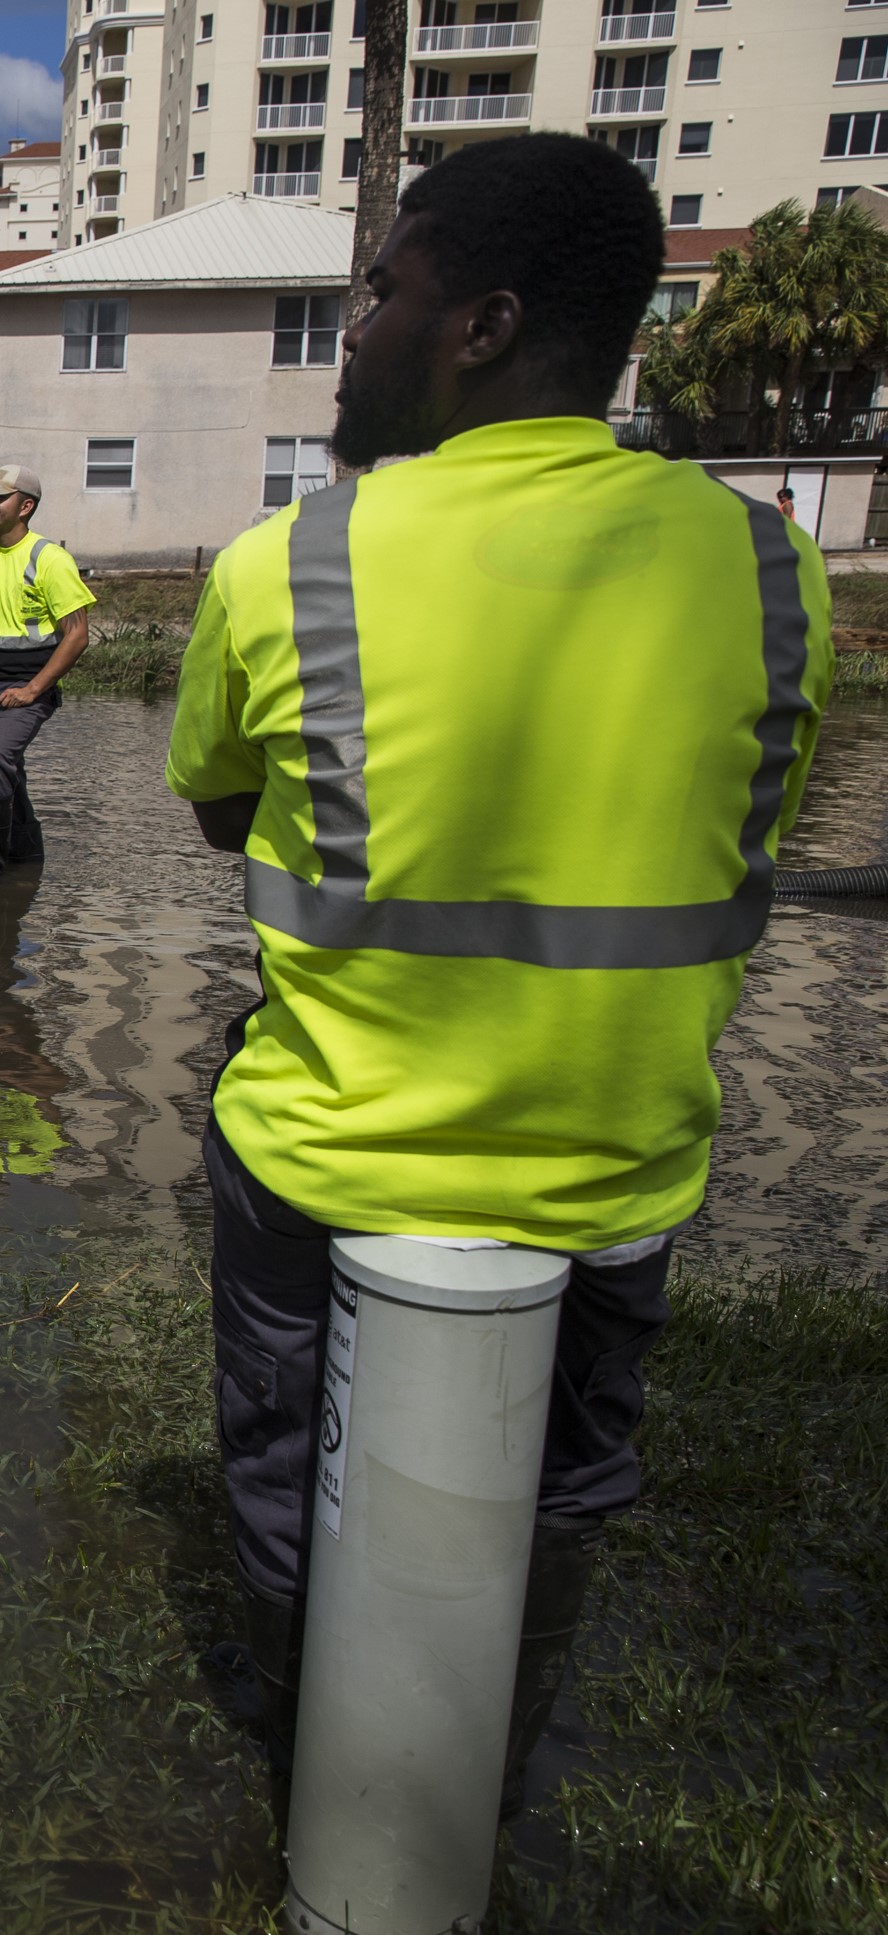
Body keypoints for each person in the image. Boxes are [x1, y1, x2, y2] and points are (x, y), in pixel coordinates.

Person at [163, 133, 831, 1820]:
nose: (360, 328)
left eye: (386, 288)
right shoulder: (770, 569)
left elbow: (224, 803)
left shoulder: (290, 564)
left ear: (483, 323)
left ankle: (310, 1753)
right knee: (574, 1473)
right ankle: (499, 1744)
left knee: (279, 1456)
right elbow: (732, 835)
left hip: (336, 1155)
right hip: (617, 1164)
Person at [0, 466, 94, 876]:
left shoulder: (50, 559)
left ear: (26, 506)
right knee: (6, 775)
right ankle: (29, 860)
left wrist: (33, 689)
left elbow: (78, 635)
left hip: (29, 690)